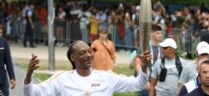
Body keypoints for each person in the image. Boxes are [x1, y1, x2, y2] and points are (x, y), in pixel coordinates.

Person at [23, 40, 151, 96]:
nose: (88, 55)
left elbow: (139, 84)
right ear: (73, 58)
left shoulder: (107, 77)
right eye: (82, 53)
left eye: (89, 51)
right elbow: (32, 93)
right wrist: (29, 75)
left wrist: (145, 66)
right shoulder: (62, 79)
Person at [129, 24, 163, 96]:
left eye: (161, 33)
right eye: (157, 33)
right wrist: (145, 81)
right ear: (152, 34)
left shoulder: (163, 48)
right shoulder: (144, 47)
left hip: (157, 83)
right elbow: (138, 65)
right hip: (145, 83)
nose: (160, 35)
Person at [0, 24, 16, 96]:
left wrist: (12, 78)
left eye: (1, 31)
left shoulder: (4, 43)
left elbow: (8, 62)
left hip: (2, 79)